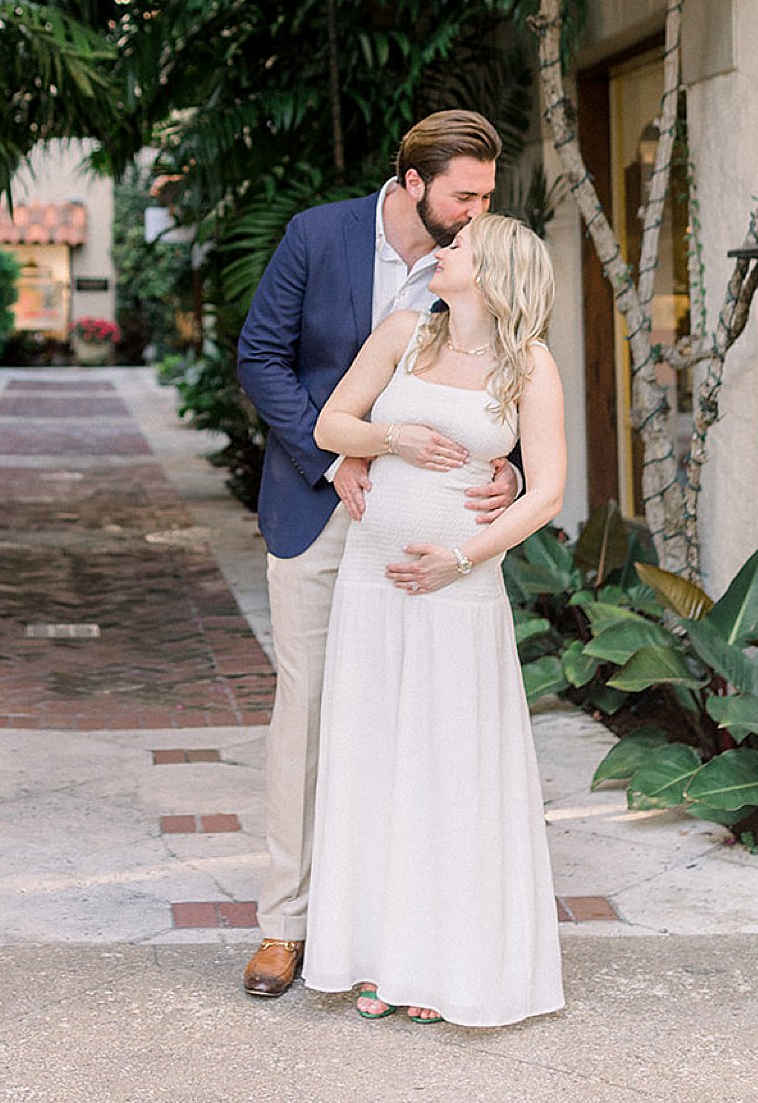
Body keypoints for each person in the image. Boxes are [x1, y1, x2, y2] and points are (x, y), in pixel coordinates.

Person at [236, 111, 520, 1000]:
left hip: (439, 532)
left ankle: (393, 926)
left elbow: (508, 374)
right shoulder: (317, 235)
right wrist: (339, 452)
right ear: (412, 184)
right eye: (463, 194)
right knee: (312, 711)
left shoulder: (481, 259)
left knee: (419, 721)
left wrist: (506, 464)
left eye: (485, 194)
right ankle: (286, 927)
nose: (477, 211)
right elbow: (261, 357)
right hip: (322, 512)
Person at [301, 211, 566, 1028]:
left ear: (491, 274)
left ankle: (443, 965)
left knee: (447, 768)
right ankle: (378, 958)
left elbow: (547, 490)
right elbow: (329, 426)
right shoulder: (405, 333)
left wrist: (462, 557)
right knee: (375, 760)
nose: (439, 252)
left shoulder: (529, 366)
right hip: (371, 588)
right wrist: (397, 438)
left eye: (455, 248)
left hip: (456, 593)